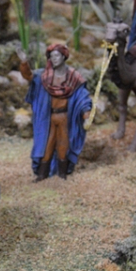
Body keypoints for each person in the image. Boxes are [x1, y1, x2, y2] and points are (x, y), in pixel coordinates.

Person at [18, 44, 92, 180]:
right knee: (46, 145)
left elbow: (83, 98)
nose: (54, 59)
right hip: (48, 118)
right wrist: (24, 62)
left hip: (65, 117)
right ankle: (42, 174)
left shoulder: (74, 77)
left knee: (64, 145)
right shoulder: (44, 76)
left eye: (57, 55)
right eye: (51, 56)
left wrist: (86, 115)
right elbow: (28, 75)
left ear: (63, 56)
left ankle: (62, 174)